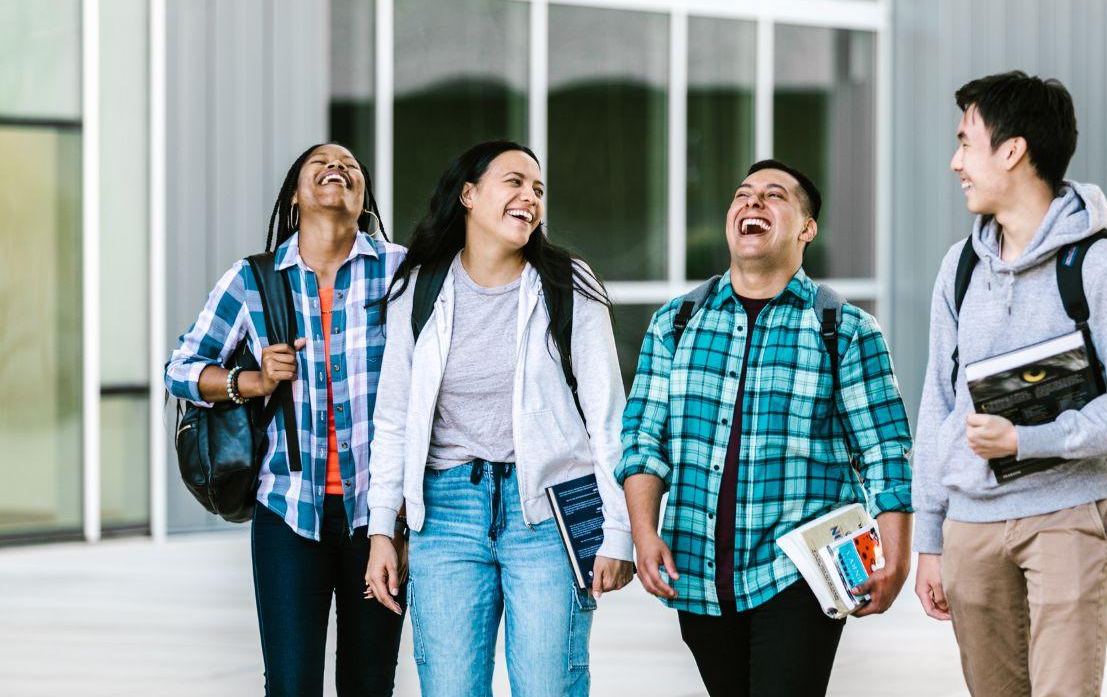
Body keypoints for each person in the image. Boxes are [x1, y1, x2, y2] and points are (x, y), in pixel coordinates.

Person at [911, 71, 1107, 697]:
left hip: (1069, 516)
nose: (955, 163)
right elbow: (937, 402)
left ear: (1012, 150)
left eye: (965, 142)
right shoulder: (960, 266)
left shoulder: (1101, 265)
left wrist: (1028, 440)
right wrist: (930, 535)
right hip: (970, 525)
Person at [616, 159, 914, 696]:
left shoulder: (844, 330)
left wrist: (897, 556)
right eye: (742, 194)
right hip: (700, 578)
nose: (752, 202)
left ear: (806, 228)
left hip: (802, 574)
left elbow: (886, 450)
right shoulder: (676, 323)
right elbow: (642, 440)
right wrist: (643, 532)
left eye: (774, 195)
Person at [363, 140, 635, 697]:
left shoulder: (569, 284)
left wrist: (619, 532)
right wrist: (381, 529)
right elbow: (392, 419)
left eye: (537, 189)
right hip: (445, 513)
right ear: (468, 194)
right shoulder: (419, 290)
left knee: (548, 687)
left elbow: (608, 419)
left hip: (547, 515)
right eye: (513, 182)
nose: (529, 197)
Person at [165, 143, 407, 695]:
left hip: (380, 518)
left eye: (349, 167)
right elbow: (180, 368)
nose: (337, 169)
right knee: (292, 683)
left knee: (370, 683)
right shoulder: (252, 279)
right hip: (288, 511)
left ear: (363, 197)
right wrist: (251, 382)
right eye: (320, 165)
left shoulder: (400, 271)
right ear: (295, 197)